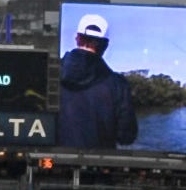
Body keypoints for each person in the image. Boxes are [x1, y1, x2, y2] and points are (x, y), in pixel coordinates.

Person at [53, 13, 135, 150]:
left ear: (77, 38)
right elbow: (127, 136)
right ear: (105, 45)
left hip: (53, 162)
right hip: (100, 164)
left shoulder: (50, 74)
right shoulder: (118, 85)